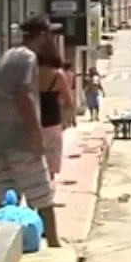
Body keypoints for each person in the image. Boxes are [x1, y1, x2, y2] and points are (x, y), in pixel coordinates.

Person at [0, 15, 61, 247]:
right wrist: (36, 134)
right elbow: (24, 95)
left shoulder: (8, 55)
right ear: (42, 35)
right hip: (21, 138)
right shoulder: (28, 58)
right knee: (42, 192)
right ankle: (53, 243)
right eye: (49, 34)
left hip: (3, 137)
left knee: (6, 192)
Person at [37, 47, 75, 180]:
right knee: (50, 164)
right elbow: (68, 102)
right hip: (52, 121)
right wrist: (66, 121)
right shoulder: (57, 75)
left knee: (32, 164)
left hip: (32, 120)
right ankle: (47, 193)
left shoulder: (30, 73)